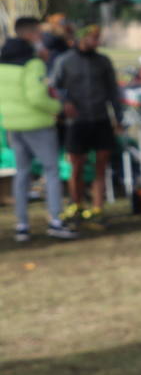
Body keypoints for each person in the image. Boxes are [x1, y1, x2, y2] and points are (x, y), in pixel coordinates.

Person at [0, 17, 78, 242]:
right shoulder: (32, 63)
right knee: (51, 171)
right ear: (31, 34)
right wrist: (58, 108)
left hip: (13, 123)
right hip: (37, 123)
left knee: (22, 173)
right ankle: (56, 220)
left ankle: (22, 225)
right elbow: (36, 97)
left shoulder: (3, 60)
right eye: (39, 33)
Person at [50, 23, 123, 226]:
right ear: (81, 38)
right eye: (92, 37)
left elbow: (113, 91)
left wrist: (118, 118)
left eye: (98, 37)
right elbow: (54, 87)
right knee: (77, 165)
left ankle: (98, 207)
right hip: (76, 122)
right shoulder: (65, 61)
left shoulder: (103, 61)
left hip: (100, 119)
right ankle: (77, 204)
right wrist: (65, 103)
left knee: (101, 165)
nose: (96, 41)